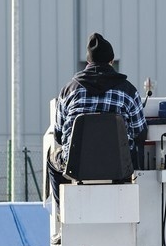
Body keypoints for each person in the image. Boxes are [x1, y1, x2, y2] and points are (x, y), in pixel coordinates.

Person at [46, 32, 147, 209]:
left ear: (88, 62)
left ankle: (63, 210)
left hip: (75, 166)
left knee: (52, 158)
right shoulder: (129, 91)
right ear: (112, 61)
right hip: (119, 167)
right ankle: (130, 205)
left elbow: (59, 136)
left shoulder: (69, 90)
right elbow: (140, 134)